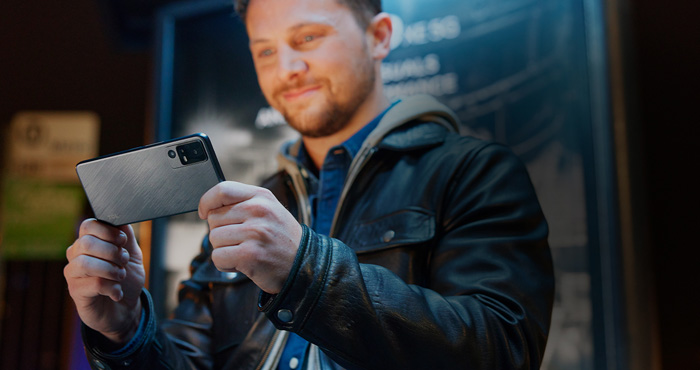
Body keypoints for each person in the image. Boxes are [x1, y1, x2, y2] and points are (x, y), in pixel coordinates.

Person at [64, 0, 555, 368]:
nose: (286, 70)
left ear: (379, 36)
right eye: (265, 50)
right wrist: (126, 329)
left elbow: (504, 349)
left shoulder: (473, 172)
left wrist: (306, 270)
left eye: (307, 39)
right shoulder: (247, 206)